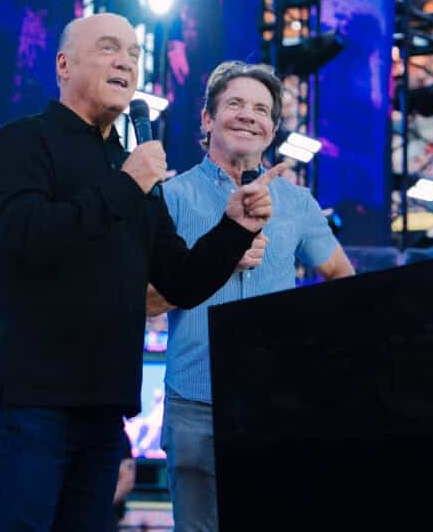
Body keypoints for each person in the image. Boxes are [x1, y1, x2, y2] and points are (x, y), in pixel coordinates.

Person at [0, 14, 283, 531]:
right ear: (64, 65)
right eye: (110, 49)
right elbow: (26, 238)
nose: (127, 62)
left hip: (101, 409)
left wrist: (233, 229)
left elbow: (179, 280)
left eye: (135, 55)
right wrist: (127, 185)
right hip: (27, 404)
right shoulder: (24, 142)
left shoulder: (134, 165)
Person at [147, 60, 355, 532]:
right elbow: (142, 302)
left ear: (272, 129)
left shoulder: (298, 203)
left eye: (261, 109)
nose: (248, 115)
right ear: (207, 119)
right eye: (235, 104)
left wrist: (314, 346)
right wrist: (219, 258)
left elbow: (342, 277)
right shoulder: (171, 197)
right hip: (193, 402)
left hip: (275, 401)